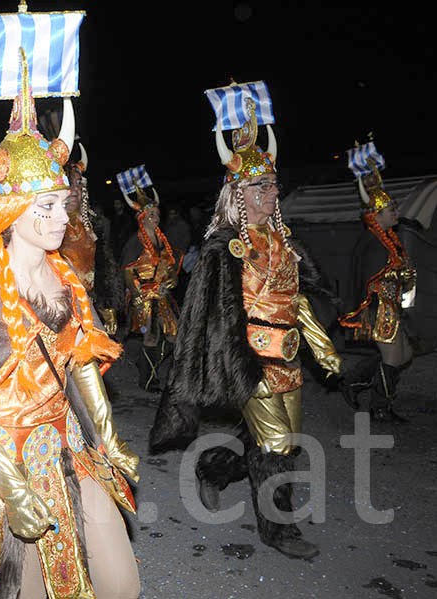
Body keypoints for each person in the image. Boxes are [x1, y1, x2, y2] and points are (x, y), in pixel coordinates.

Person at [0, 48, 141, 599]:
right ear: (6, 209)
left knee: (121, 582)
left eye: (62, 204)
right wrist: (14, 489)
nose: (61, 218)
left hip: (68, 439)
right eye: (45, 206)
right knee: (26, 586)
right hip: (8, 459)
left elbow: (82, 359)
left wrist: (110, 437)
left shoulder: (68, 275)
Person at [149, 92, 343, 559]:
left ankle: (214, 469)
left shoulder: (284, 243)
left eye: (273, 185)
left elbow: (295, 300)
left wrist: (323, 349)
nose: (271, 193)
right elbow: (207, 315)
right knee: (276, 443)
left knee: (282, 444)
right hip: (248, 360)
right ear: (239, 193)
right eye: (261, 187)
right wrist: (224, 364)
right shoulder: (224, 246)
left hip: (289, 355)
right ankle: (281, 531)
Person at [339, 150, 416, 422]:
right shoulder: (373, 242)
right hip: (379, 306)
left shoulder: (386, 238)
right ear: (378, 215)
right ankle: (380, 407)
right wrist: (399, 273)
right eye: (391, 210)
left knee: (404, 354)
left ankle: (353, 381)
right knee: (394, 357)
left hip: (391, 305)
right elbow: (373, 277)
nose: (396, 213)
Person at [119, 182, 182, 391]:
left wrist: (173, 277)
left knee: (174, 335)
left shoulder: (163, 240)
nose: (155, 218)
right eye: (151, 215)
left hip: (162, 295)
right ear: (142, 218)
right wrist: (136, 296)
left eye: (157, 214)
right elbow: (127, 271)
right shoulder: (134, 242)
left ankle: (148, 364)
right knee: (150, 335)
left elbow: (171, 263)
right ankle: (148, 378)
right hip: (144, 296)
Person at [59, 143, 124, 337]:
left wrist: (108, 305)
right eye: (66, 183)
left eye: (77, 184)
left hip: (93, 307)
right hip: (63, 311)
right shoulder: (46, 226)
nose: (72, 190)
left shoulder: (95, 224)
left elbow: (106, 265)